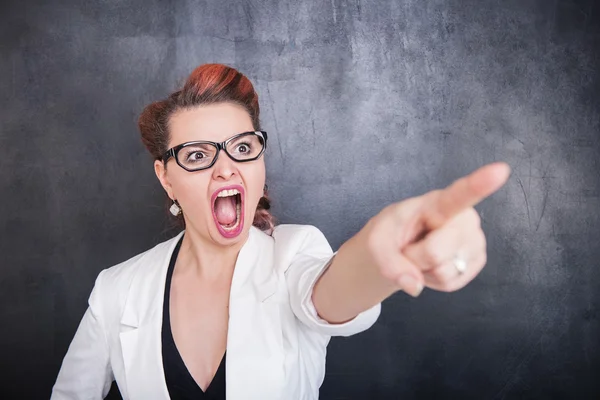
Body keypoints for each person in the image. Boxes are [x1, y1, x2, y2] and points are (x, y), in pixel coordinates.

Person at [51, 64, 511, 400]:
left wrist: (381, 250)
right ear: (166, 177)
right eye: (196, 156)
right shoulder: (117, 289)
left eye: (243, 147)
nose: (226, 168)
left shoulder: (295, 253)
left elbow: (329, 292)